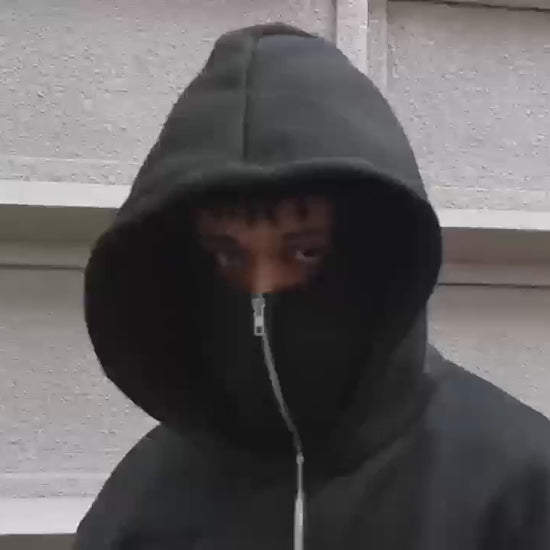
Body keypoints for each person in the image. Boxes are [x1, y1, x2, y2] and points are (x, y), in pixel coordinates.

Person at [76, 23, 550, 549]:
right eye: (230, 255)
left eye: (303, 251)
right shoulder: (145, 497)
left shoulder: (520, 485)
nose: (262, 290)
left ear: (371, 255)